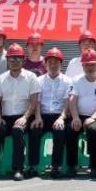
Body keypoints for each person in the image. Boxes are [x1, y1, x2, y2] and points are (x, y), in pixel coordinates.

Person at [0, 43, 40, 180]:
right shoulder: (1, 78)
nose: (14, 61)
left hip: (25, 116)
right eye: (11, 58)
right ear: (7, 60)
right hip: (6, 117)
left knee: (17, 130)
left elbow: (34, 101)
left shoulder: (31, 77)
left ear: (23, 60)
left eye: (18, 58)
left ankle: (18, 169)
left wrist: (25, 117)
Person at [30, 47, 72, 178]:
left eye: (56, 62)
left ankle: (56, 166)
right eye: (50, 62)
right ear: (45, 64)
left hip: (59, 115)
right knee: (34, 130)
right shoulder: (39, 80)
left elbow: (67, 102)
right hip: (42, 115)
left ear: (61, 64)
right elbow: (37, 101)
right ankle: (33, 166)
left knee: (60, 131)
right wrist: (37, 117)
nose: (53, 65)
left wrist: (62, 118)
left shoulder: (67, 81)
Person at [66, 49, 96, 177]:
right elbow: (72, 99)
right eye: (87, 65)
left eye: (92, 64)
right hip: (79, 115)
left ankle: (94, 166)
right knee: (70, 129)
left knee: (93, 130)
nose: (90, 67)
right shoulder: (76, 80)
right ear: (82, 66)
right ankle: (71, 165)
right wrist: (75, 117)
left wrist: (94, 117)